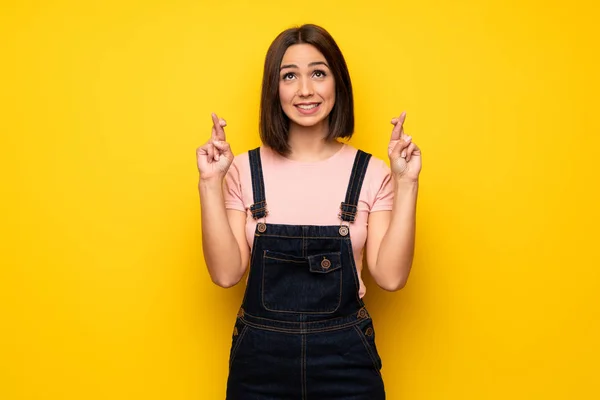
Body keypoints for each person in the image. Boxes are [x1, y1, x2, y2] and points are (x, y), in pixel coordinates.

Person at [196, 24, 421, 400]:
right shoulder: (241, 170)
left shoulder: (372, 173)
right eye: (289, 76)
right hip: (260, 365)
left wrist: (407, 182)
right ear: (275, 89)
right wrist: (209, 183)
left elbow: (391, 277)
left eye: (319, 72)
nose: (305, 90)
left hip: (346, 364)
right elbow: (225, 273)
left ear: (338, 84)